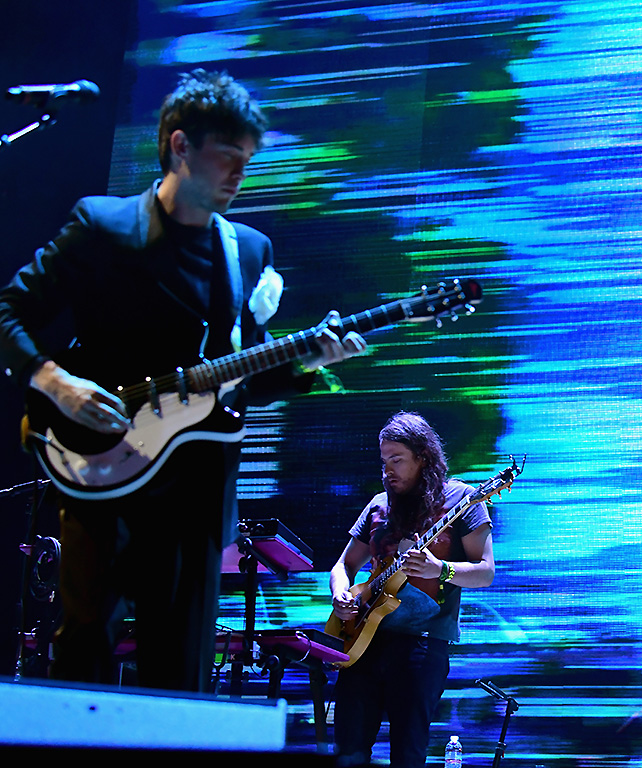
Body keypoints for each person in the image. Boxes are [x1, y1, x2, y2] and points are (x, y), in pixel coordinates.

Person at [0, 69, 367, 692]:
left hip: (196, 481)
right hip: (100, 468)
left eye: (247, 162)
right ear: (179, 146)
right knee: (85, 639)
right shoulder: (102, 226)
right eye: (227, 159)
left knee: (182, 656)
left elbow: (242, 370)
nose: (238, 177)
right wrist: (57, 383)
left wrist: (309, 361)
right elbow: (10, 311)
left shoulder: (247, 249)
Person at [329, 411, 495, 768]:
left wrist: (441, 569)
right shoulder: (377, 505)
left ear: (423, 457)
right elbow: (343, 566)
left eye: (397, 460)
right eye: (384, 460)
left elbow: (485, 572)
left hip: (422, 645)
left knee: (407, 755)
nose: (387, 470)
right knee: (348, 751)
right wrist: (341, 594)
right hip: (361, 645)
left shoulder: (462, 499)